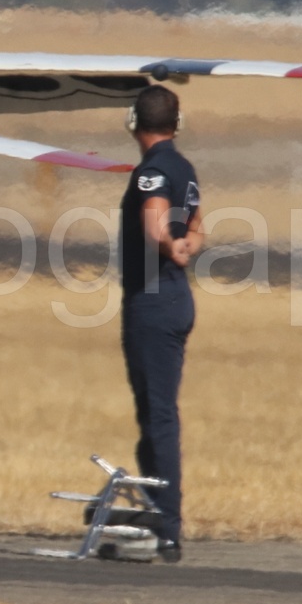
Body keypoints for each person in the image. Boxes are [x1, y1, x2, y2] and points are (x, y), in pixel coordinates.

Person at [119, 84, 203, 563]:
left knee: (159, 416)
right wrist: (186, 245)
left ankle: (166, 526)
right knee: (155, 413)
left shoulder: (152, 173)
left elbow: (155, 226)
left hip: (152, 301)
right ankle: (155, 510)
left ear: (135, 122)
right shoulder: (183, 169)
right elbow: (199, 227)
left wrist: (168, 246)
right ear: (176, 123)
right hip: (175, 298)